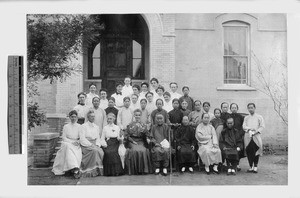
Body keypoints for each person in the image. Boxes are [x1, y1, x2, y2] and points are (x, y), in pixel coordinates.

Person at [52, 110, 82, 178]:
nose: (73, 118)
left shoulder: (79, 126)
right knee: (67, 146)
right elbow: (64, 137)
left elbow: (81, 137)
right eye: (72, 117)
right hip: (68, 142)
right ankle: (74, 168)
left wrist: (78, 142)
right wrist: (71, 142)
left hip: (76, 144)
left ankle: (74, 168)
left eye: (75, 117)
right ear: (69, 117)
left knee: (70, 148)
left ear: (77, 117)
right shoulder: (66, 126)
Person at [124, 109, 152, 175]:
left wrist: (147, 138)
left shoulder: (143, 125)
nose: (137, 116)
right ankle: (135, 170)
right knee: (134, 150)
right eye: (136, 115)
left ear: (141, 116)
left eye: (139, 115)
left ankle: (143, 170)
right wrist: (132, 141)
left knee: (144, 150)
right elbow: (126, 135)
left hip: (141, 141)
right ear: (134, 115)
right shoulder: (130, 125)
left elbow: (147, 134)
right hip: (132, 141)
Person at [79, 110, 104, 177]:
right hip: (86, 145)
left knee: (101, 151)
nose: (93, 118)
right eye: (91, 116)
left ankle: (98, 170)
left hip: (94, 144)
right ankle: (92, 171)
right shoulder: (83, 126)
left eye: (94, 116)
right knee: (94, 151)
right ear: (88, 117)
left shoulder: (96, 127)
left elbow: (98, 138)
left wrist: (97, 144)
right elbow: (82, 138)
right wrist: (90, 144)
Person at [243, 103, 265, 173]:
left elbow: (262, 126)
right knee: (249, 151)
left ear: (255, 108)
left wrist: (256, 131)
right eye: (249, 108)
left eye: (252, 107)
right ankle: (251, 166)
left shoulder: (259, 117)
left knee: (256, 150)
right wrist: (249, 129)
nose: (250, 109)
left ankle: (255, 166)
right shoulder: (246, 118)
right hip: (248, 136)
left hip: (256, 136)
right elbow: (244, 126)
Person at [230, 103, 245, 171]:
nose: (234, 109)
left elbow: (243, 126)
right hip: (230, 136)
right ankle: (231, 163)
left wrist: (240, 134)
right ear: (230, 109)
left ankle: (237, 164)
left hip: (238, 135)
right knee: (231, 149)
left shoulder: (240, 117)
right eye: (232, 108)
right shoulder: (229, 116)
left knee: (238, 149)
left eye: (235, 108)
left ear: (237, 109)